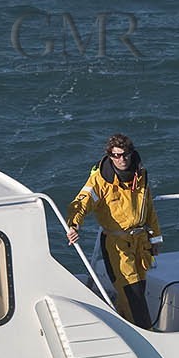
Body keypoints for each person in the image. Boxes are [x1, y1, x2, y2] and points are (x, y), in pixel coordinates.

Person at [66, 133, 162, 328]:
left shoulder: (140, 174)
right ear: (109, 156)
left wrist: (155, 239)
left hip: (141, 244)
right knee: (133, 294)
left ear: (131, 153)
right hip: (117, 246)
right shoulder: (100, 180)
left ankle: (124, 327)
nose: (121, 159)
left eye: (125, 154)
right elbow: (82, 202)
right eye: (116, 155)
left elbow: (149, 209)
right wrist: (74, 224)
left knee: (138, 292)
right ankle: (148, 334)